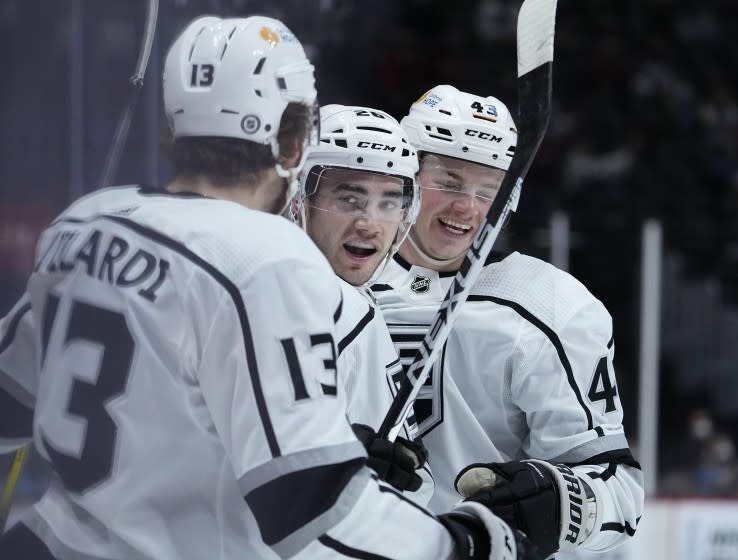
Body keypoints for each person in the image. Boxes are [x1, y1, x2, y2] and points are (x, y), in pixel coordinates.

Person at [0, 18, 541, 560]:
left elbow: (11, 401)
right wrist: (471, 543)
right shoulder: (271, 264)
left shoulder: (88, 223)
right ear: (294, 145)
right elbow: (308, 505)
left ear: (170, 128)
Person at [371, 84, 645, 559]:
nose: (468, 208)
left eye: (488, 191)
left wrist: (562, 500)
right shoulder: (331, 284)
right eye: (450, 181)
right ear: (405, 176)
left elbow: (619, 489)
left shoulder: (547, 307)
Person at [292, 104, 431, 500]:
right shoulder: (351, 312)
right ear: (299, 197)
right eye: (350, 200)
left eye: (389, 203)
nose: (370, 223)